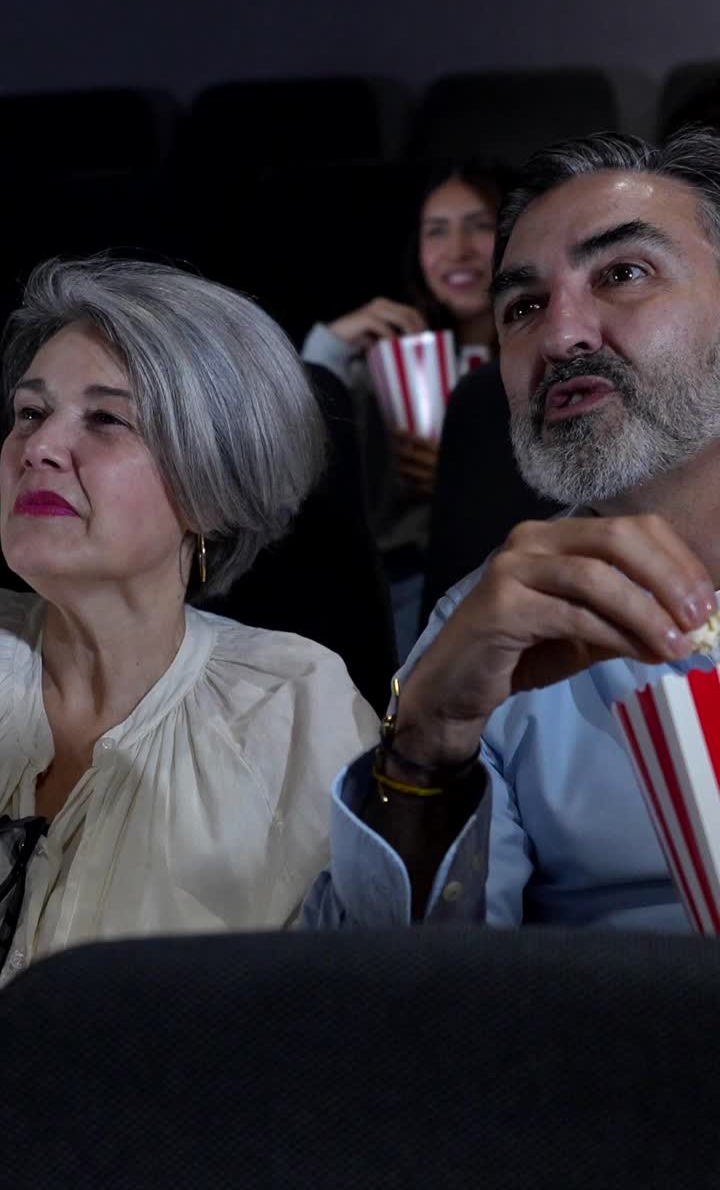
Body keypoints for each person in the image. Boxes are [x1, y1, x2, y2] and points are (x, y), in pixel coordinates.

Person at [304, 124, 720, 933]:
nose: (562, 336)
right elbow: (395, 1006)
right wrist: (426, 743)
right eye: (523, 307)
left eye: (624, 273)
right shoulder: (488, 629)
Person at [0, 257, 378, 982]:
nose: (38, 448)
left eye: (106, 419)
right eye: (30, 411)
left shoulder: (295, 705)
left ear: (212, 486)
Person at [302, 162, 505, 659]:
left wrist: (465, 486)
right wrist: (329, 347)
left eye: (480, 226)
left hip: (500, 585)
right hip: (401, 592)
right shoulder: (384, 367)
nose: (457, 249)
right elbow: (298, 456)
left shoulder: (550, 358)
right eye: (437, 231)